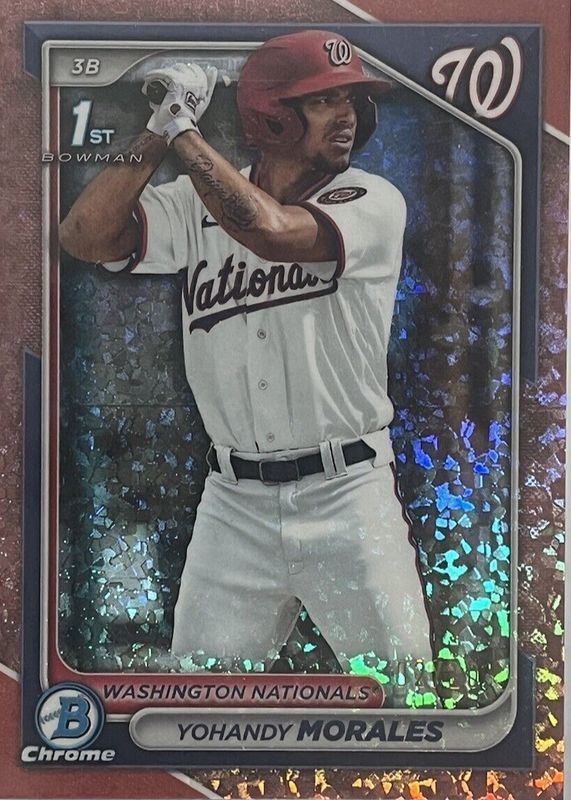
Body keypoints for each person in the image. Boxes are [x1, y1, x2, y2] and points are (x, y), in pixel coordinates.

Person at [60, 30, 434, 698]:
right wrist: (158, 127)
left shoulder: (371, 199)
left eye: (351, 99)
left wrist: (184, 131)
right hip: (232, 508)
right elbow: (83, 237)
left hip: (349, 496)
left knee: (405, 704)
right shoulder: (193, 205)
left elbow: (269, 230)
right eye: (321, 101)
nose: (346, 115)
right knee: (198, 707)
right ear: (270, 115)